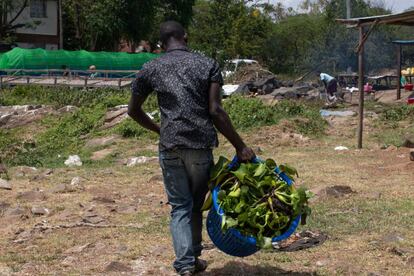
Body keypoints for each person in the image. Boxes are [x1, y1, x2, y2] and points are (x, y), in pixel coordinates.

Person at [128, 21, 255, 275]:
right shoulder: (206, 64)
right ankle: (192, 258)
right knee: (195, 205)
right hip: (199, 146)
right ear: (185, 36)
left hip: (171, 146)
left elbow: (133, 110)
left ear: (160, 43)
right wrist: (240, 146)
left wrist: (158, 129)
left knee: (180, 207)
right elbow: (216, 111)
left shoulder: (151, 67)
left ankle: (187, 264)